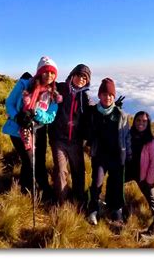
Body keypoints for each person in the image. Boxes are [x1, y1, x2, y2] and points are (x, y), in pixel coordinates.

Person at [2, 56, 59, 199]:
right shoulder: (24, 85)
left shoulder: (53, 94)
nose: (49, 76)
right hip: (18, 130)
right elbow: (9, 103)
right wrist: (18, 117)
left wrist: (37, 113)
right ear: (39, 72)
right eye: (46, 72)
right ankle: (27, 189)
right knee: (29, 160)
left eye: (52, 73)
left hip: (39, 130)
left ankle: (42, 186)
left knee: (39, 161)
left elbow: (51, 116)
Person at [87, 78, 131, 225]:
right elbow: (87, 131)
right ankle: (93, 208)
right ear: (99, 95)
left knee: (116, 183)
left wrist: (128, 155)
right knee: (97, 182)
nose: (108, 97)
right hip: (99, 155)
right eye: (105, 94)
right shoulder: (93, 113)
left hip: (117, 156)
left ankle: (116, 209)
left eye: (111, 95)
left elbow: (127, 136)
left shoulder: (121, 115)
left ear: (114, 96)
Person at [48, 64, 93, 208]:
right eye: (79, 75)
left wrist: (113, 109)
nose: (81, 79)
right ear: (72, 75)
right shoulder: (60, 89)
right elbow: (44, 91)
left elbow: (94, 113)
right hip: (58, 139)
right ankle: (61, 202)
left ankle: (78, 200)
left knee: (78, 171)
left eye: (85, 78)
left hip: (75, 140)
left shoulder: (85, 98)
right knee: (61, 171)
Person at [125, 111, 154, 216]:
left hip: (144, 175)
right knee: (114, 184)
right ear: (134, 121)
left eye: (144, 121)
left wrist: (149, 181)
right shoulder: (128, 135)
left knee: (152, 198)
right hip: (128, 170)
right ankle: (116, 209)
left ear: (148, 123)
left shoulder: (152, 141)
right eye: (138, 120)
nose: (141, 123)